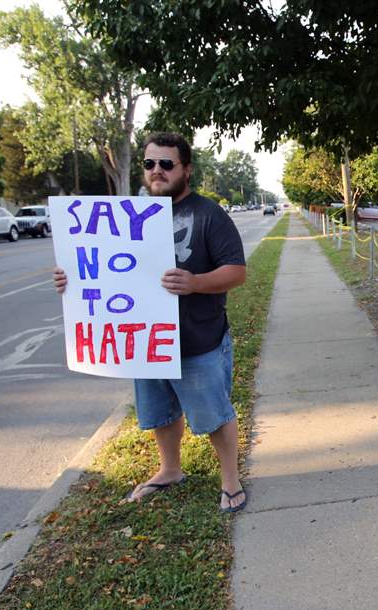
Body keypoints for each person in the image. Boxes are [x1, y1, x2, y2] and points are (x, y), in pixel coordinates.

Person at [53, 132, 249, 513]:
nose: (156, 171)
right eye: (149, 164)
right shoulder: (126, 218)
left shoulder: (208, 214)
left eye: (166, 164)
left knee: (214, 414)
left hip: (199, 339)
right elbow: (99, 267)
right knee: (160, 411)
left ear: (186, 170)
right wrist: (70, 280)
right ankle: (170, 469)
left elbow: (237, 272)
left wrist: (195, 283)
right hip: (146, 342)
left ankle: (230, 480)